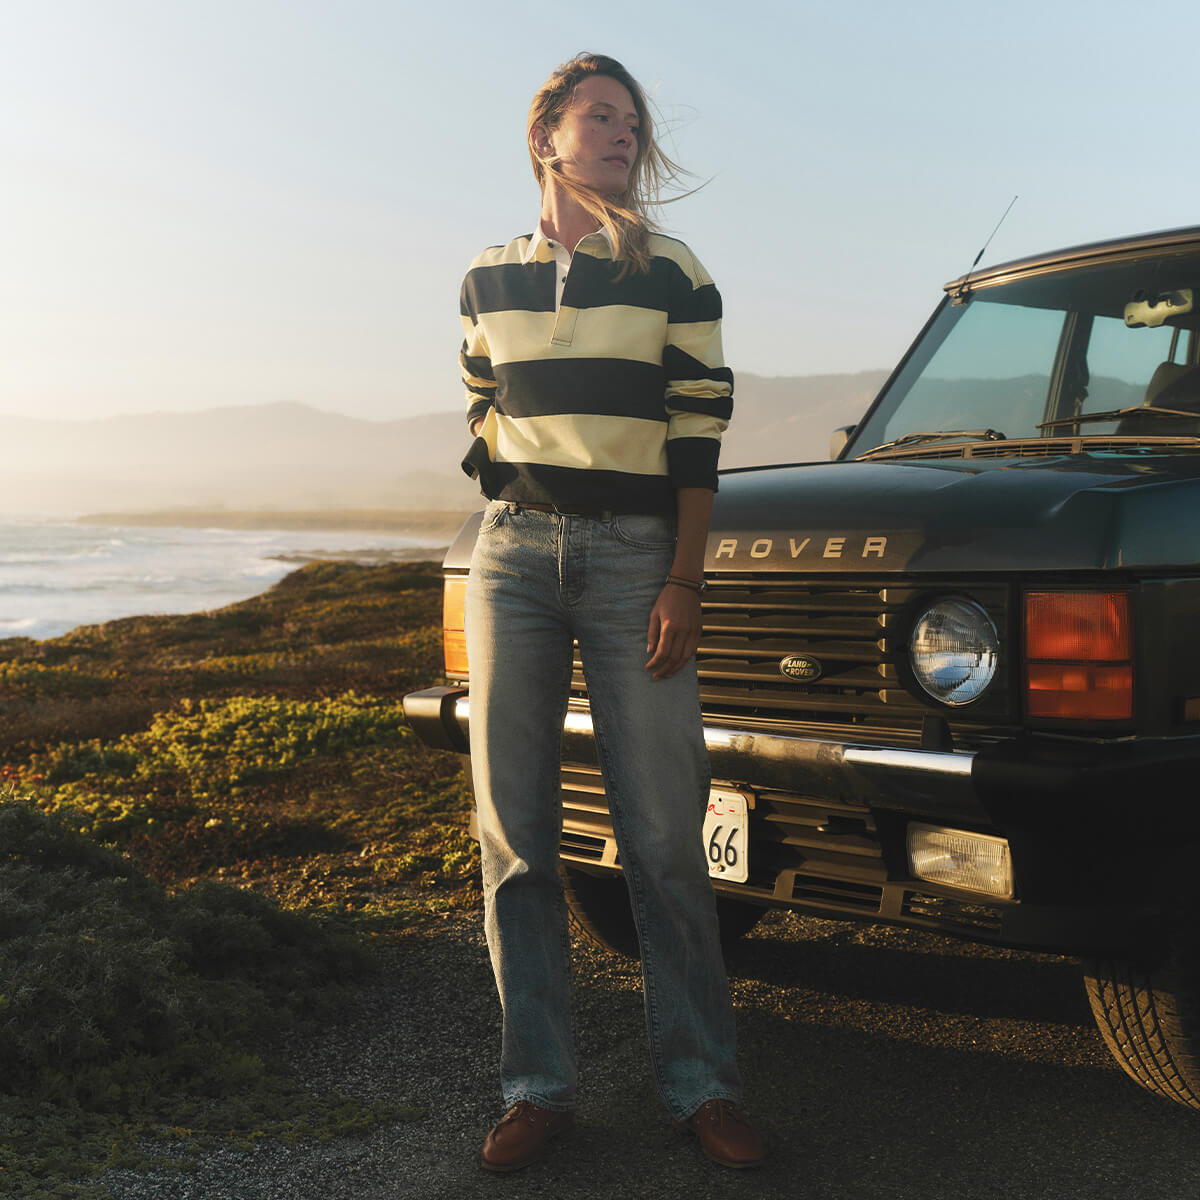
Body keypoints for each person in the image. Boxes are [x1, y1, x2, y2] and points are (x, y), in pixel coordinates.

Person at [458, 52, 763, 1174]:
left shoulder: (676, 273)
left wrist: (684, 580)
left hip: (641, 562)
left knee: (663, 839)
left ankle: (702, 1086)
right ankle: (536, 1089)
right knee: (515, 840)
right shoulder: (486, 276)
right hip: (514, 562)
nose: (621, 134)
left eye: (631, 120)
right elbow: (485, 407)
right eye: (599, 117)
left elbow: (698, 441)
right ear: (547, 136)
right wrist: (517, 511)